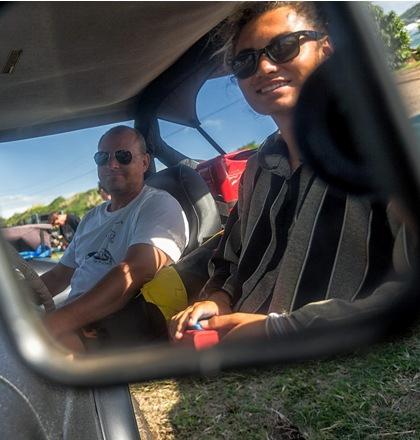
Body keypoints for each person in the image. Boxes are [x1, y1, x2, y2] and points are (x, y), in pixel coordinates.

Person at [169, 2, 410, 342]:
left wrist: (282, 328)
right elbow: (232, 256)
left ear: (326, 51)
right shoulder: (258, 167)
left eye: (284, 47)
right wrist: (217, 300)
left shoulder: (384, 146)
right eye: (245, 61)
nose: (264, 67)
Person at [40, 125, 188, 349]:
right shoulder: (91, 217)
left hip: (114, 324)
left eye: (123, 156)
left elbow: (136, 270)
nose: (112, 164)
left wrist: (56, 323)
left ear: (145, 162)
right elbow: (60, 275)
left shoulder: (158, 204)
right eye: (102, 157)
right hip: (78, 319)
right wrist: (7, 298)